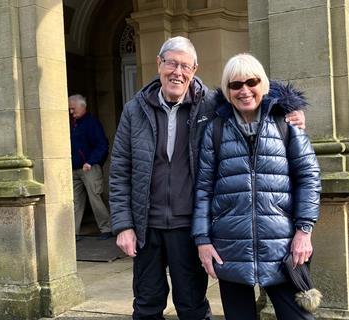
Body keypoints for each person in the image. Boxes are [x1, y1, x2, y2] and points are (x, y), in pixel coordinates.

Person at [109, 37, 306, 320]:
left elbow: (250, 89)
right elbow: (119, 171)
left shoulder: (211, 104)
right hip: (145, 226)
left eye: (185, 66)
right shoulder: (134, 109)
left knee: (192, 306)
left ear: (195, 69)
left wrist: (290, 110)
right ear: (159, 64)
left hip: (189, 225)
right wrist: (123, 225)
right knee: (146, 304)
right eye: (171, 63)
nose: (178, 72)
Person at [192, 53, 321, 320]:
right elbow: (204, 189)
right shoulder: (215, 130)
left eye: (251, 82)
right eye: (235, 85)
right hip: (229, 246)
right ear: (227, 90)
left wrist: (304, 231)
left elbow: (308, 178)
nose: (244, 90)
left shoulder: (285, 124)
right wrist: (203, 240)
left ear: (262, 84)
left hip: (282, 246)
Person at [69, 94, 112, 241]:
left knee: (95, 198)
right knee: (74, 201)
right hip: (74, 168)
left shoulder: (92, 123)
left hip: (89, 168)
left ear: (82, 106)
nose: (71, 112)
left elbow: (102, 145)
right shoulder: (72, 123)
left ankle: (106, 228)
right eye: (69, 109)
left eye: (73, 108)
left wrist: (91, 161)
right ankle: (72, 232)